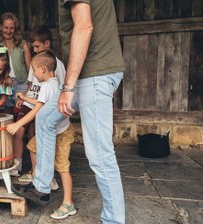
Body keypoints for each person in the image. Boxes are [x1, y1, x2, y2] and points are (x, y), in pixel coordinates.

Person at [14, 1, 126, 223]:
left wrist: (68, 87)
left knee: (100, 155)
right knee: (45, 117)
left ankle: (114, 220)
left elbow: (84, 27)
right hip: (87, 75)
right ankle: (41, 185)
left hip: (94, 76)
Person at [10, 25, 66, 179]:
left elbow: (61, 88)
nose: (34, 50)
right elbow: (30, 84)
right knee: (19, 131)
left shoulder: (57, 65)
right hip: (32, 101)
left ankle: (44, 173)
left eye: (36, 46)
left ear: (47, 44)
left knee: (37, 136)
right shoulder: (35, 62)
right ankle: (17, 165)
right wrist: (24, 97)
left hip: (45, 104)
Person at [0, 12, 32, 113]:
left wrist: (29, 86)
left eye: (11, 28)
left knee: (21, 112)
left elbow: (30, 67)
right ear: (1, 27)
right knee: (7, 114)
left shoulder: (22, 45)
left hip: (21, 84)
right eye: (6, 27)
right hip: (4, 84)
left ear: (15, 29)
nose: (8, 31)